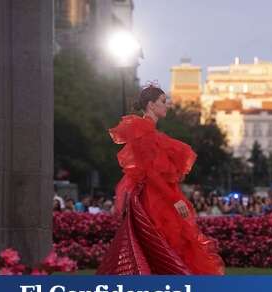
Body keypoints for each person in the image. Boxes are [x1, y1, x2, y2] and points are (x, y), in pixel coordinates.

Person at [96, 84, 224, 275]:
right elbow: (150, 173)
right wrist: (174, 199)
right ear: (151, 105)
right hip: (155, 200)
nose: (167, 105)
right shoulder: (144, 131)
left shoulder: (149, 131)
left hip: (157, 196)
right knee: (164, 247)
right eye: (163, 102)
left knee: (160, 248)